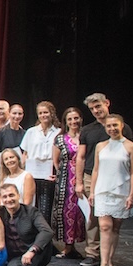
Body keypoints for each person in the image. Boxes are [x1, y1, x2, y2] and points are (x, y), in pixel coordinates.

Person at [74, 93, 133, 266]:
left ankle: (107, 258)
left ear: (107, 103)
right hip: (91, 176)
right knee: (93, 217)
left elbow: (129, 156)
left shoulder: (123, 127)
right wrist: (79, 181)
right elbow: (81, 157)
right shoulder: (87, 130)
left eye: (98, 106)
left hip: (116, 178)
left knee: (113, 221)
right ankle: (92, 253)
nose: (96, 110)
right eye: (92, 108)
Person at [0, 183, 83, 266]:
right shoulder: (0, 213)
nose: (8, 199)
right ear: (1, 199)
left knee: (42, 239)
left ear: (18, 195)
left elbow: (47, 231)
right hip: (18, 258)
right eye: (5, 197)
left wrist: (32, 250)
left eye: (11, 195)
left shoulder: (31, 211)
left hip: (37, 254)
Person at [87, 114, 133, 266]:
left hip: (121, 191)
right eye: (109, 126)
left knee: (115, 227)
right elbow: (96, 170)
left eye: (115, 125)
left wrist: (131, 195)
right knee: (104, 226)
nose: (112, 128)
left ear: (121, 125)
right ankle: (102, 265)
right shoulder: (100, 146)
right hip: (102, 189)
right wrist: (92, 191)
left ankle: (110, 263)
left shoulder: (131, 147)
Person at [52, 107, 85, 255]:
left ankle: (83, 246)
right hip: (66, 179)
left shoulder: (85, 135)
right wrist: (63, 174)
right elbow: (55, 161)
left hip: (84, 177)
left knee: (81, 212)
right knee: (67, 211)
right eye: (70, 119)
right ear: (65, 121)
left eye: (76, 118)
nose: (73, 121)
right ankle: (68, 245)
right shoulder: (60, 138)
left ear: (81, 119)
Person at [20, 100, 60, 218]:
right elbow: (25, 153)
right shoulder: (31, 132)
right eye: (40, 113)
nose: (43, 115)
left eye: (46, 112)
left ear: (51, 113)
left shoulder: (58, 132)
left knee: (45, 206)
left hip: (49, 172)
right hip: (32, 171)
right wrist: (22, 171)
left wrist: (58, 172)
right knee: (30, 202)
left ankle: (44, 228)